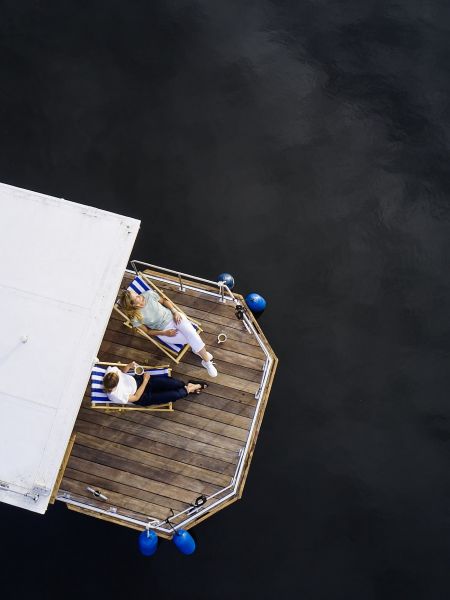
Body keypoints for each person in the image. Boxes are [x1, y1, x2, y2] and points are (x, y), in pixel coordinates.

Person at [119, 288, 218, 377]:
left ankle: (207, 362)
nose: (141, 299)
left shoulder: (149, 294)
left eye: (138, 296)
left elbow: (164, 301)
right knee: (190, 336)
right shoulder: (134, 317)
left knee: (191, 335)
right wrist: (164, 333)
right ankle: (199, 352)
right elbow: (147, 331)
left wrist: (174, 311)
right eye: (137, 300)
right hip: (163, 330)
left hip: (174, 317)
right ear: (131, 305)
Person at [102, 362, 207, 406]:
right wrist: (146, 381)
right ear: (114, 386)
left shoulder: (111, 372)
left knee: (173, 383)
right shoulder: (115, 396)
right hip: (143, 396)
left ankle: (188, 387)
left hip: (138, 380)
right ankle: (192, 387)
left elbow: (123, 373)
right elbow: (136, 397)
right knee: (174, 395)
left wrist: (129, 365)